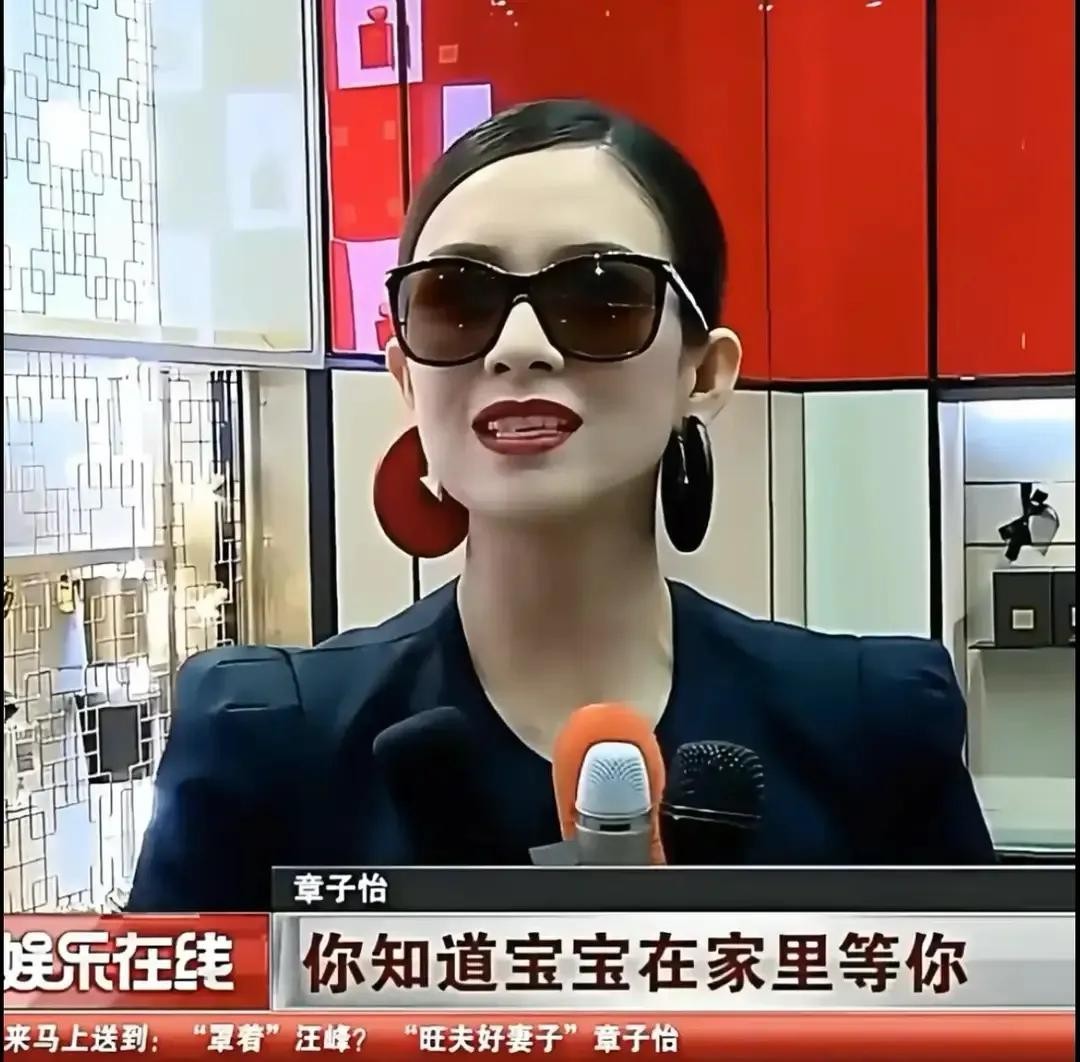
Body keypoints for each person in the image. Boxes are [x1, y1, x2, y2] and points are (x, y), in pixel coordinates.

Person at [128, 100, 993, 912]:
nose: (519, 347)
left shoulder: (868, 728)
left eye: (600, 297)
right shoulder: (267, 741)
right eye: (456, 300)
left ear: (703, 372)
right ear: (406, 379)